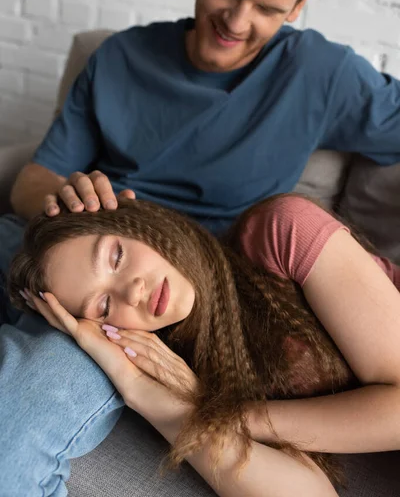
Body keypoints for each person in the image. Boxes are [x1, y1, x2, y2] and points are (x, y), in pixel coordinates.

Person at [1, 0, 400, 493]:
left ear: (299, 5)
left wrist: (192, 405)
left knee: (46, 379)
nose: (238, 21)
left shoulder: (323, 76)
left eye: (268, 8)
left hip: (180, 287)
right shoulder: (120, 59)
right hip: (99, 239)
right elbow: (31, 181)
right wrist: (69, 200)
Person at [7, 193, 400, 496]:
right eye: (104, 305)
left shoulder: (280, 230)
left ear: (142, 223)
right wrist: (149, 395)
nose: (134, 291)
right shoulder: (175, 357)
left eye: (117, 255)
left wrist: (221, 413)